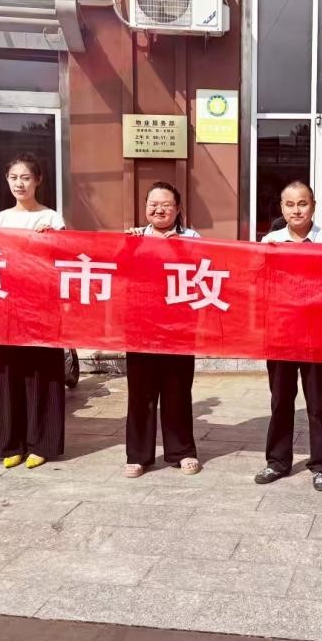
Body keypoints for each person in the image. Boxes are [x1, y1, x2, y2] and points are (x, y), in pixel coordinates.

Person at [0, 153, 66, 470]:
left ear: (38, 180)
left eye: (25, 177)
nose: (19, 183)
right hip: (4, 310)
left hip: (40, 309)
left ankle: (41, 443)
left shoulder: (52, 218)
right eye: (13, 178)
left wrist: (53, 240)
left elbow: (61, 260)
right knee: (6, 375)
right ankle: (10, 443)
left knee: (41, 374)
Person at [255, 181, 322, 492]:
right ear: (281, 208)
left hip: (317, 334)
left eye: (302, 203)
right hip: (281, 333)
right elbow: (260, 285)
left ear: (313, 206)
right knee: (281, 400)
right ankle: (277, 461)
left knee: (317, 403)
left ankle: (321, 465)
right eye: (290, 204)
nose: (296, 210)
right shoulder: (270, 242)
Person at [123, 181, 202, 478]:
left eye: (166, 205)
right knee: (140, 393)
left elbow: (204, 273)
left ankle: (182, 451)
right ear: (145, 208)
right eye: (153, 204)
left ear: (178, 208)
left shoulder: (192, 238)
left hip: (178, 327)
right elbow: (119, 275)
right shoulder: (134, 238)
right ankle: (138, 455)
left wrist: (179, 247)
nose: (159, 210)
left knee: (177, 391)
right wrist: (127, 246)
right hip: (140, 326)